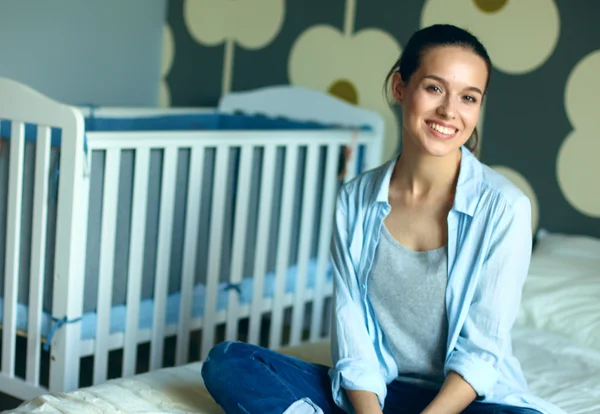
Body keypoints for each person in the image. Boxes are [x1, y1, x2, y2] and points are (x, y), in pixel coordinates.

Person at [201, 24, 565, 414]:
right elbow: (352, 331)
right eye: (434, 88)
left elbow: (482, 352)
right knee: (230, 362)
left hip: (465, 403)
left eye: (469, 97)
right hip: (378, 394)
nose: (449, 111)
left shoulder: (505, 208)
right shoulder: (354, 200)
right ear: (399, 87)